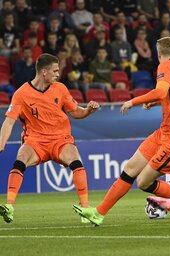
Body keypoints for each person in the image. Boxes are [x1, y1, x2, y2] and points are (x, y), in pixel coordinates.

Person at [72, 37, 170, 226]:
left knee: (143, 183)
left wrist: (133, 101)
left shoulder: (165, 66)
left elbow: (161, 92)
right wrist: (155, 102)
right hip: (165, 131)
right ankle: (98, 213)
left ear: (158, 54)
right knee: (130, 169)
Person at [0, 53, 100, 223]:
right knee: (21, 158)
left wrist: (88, 110)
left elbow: (76, 112)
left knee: (75, 159)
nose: (58, 74)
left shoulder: (60, 88)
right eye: (55, 70)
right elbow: (9, 122)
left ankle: (85, 209)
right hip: (35, 141)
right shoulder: (21, 94)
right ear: (44, 72)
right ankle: (9, 206)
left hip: (60, 139)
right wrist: (1, 144)